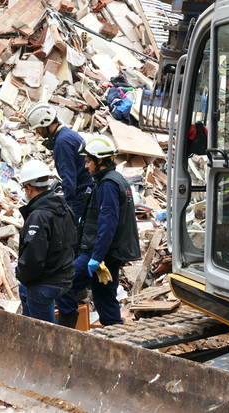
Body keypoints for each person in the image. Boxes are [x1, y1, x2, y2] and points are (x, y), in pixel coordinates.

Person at [56, 135, 141, 327]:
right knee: (104, 296)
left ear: (100, 160)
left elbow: (107, 224)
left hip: (99, 252)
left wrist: (96, 257)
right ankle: (116, 335)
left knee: (63, 285)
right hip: (108, 253)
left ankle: (66, 332)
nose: (85, 166)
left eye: (88, 161)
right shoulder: (112, 180)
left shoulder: (109, 185)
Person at [16, 160, 76, 323]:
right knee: (25, 294)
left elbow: (34, 258)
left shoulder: (39, 215)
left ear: (29, 188)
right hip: (63, 277)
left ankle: (52, 348)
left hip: (45, 282)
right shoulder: (63, 207)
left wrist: (21, 274)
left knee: (43, 332)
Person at [26, 103, 93, 224]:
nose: (37, 132)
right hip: (86, 190)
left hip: (80, 196)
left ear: (45, 123)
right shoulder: (67, 134)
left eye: (38, 128)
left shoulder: (62, 143)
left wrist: (62, 206)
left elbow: (69, 179)